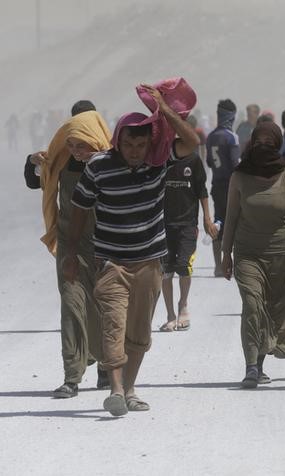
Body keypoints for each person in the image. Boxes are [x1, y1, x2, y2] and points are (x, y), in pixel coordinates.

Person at [65, 81, 199, 416]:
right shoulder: (98, 167)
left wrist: (164, 110)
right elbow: (79, 210)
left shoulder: (158, 163)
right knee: (113, 325)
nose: (136, 150)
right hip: (111, 263)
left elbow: (193, 142)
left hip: (150, 263)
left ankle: (130, 388)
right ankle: (114, 389)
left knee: (139, 332)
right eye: (129, 144)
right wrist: (70, 253)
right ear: (118, 141)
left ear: (149, 143)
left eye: (141, 144)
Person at [26, 107, 111, 398]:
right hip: (69, 246)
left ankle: (104, 365)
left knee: (102, 308)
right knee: (72, 306)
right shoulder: (61, 161)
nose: (75, 151)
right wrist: (31, 161)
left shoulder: (113, 164)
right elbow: (35, 178)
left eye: (81, 146)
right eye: (71, 145)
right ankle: (72, 376)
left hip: (104, 247)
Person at [221, 122, 285, 389]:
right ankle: (250, 365)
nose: (263, 149)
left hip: (279, 256)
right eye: (258, 144)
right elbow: (232, 217)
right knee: (252, 305)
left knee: (271, 310)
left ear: (278, 145)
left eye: (268, 144)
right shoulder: (239, 177)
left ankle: (259, 363)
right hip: (247, 253)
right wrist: (226, 254)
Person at [158, 147, 217, 332]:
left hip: (188, 224)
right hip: (163, 224)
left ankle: (183, 305)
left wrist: (207, 218)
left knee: (184, 266)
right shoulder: (159, 158)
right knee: (166, 270)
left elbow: (202, 191)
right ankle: (169, 315)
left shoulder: (193, 160)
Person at [206, 99, 241, 277]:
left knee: (219, 221)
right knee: (235, 223)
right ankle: (233, 264)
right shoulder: (231, 137)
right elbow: (236, 164)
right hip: (231, 186)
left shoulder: (211, 136)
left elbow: (209, 162)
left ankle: (218, 266)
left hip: (216, 185)